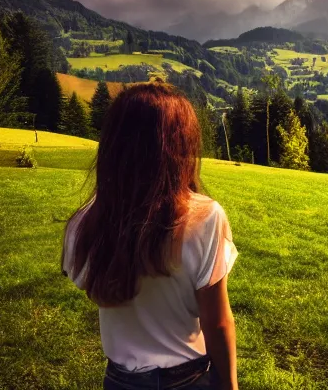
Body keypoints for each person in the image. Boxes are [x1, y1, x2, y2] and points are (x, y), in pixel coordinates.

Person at [61, 80, 239, 390]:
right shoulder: (205, 218)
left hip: (118, 381)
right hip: (187, 379)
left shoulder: (85, 223)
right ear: (179, 147)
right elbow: (217, 322)